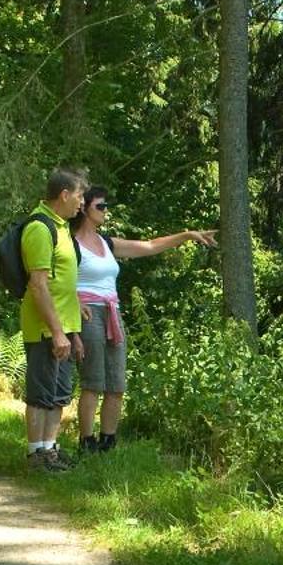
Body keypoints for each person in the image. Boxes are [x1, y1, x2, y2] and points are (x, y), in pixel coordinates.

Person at [67, 186, 215, 453]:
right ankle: (86, 443)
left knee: (117, 382)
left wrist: (187, 235)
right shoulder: (70, 244)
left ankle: (108, 442)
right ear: (85, 209)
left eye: (106, 206)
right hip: (87, 313)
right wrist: (73, 304)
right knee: (93, 382)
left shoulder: (107, 243)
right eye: (100, 206)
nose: (105, 211)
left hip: (112, 312)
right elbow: (56, 280)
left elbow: (148, 246)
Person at [20, 167, 88, 472]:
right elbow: (38, 284)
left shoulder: (61, 227)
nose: (82, 202)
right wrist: (57, 331)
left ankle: (50, 450)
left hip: (63, 326)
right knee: (41, 394)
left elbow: (62, 282)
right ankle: (36, 455)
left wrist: (72, 328)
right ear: (64, 194)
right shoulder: (40, 227)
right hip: (45, 328)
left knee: (59, 394)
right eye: (79, 195)